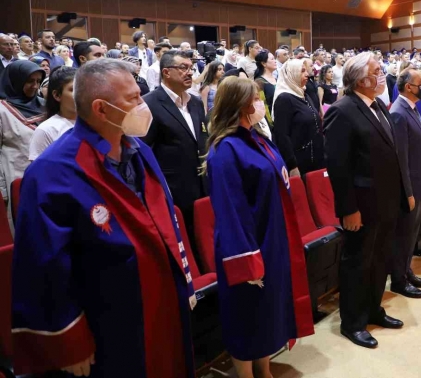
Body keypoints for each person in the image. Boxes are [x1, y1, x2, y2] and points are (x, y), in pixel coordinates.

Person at [11, 59, 197, 377]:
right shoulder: (51, 171)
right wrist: (69, 340)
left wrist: (184, 279)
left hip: (162, 300)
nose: (143, 104)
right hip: (109, 319)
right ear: (101, 108)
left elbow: (166, 220)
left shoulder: (140, 150)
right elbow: (43, 264)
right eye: (133, 98)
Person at [205, 76, 314, 378]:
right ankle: (245, 374)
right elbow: (230, 211)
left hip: (273, 237)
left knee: (267, 311)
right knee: (247, 313)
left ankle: (263, 369)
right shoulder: (225, 149)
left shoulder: (258, 138)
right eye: (255, 99)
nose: (260, 104)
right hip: (246, 244)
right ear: (240, 104)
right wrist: (246, 258)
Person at [323, 52, 407, 349]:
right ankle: (354, 322)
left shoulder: (379, 105)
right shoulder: (342, 110)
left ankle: (374, 309)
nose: (382, 74)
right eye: (376, 70)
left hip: (386, 200)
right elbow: (339, 167)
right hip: (362, 204)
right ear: (361, 78)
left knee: (380, 258)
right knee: (358, 262)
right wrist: (349, 209)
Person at [142, 51, 208, 245]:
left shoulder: (195, 102)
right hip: (173, 189)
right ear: (166, 72)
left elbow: (202, 140)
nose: (189, 72)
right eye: (183, 68)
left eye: (191, 68)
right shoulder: (149, 103)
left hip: (203, 186)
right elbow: (144, 152)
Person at [388, 69, 421, 297]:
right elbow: (401, 158)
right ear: (408, 87)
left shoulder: (411, 109)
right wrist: (407, 191)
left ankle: (406, 272)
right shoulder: (398, 112)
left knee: (412, 234)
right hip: (410, 187)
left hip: (419, 181)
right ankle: (399, 279)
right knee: (403, 235)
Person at [0, 60, 45, 221]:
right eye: (29, 81)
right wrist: (2, 190)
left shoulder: (44, 105)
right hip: (17, 175)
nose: (35, 86)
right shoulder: (2, 110)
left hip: (47, 175)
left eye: (38, 81)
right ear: (15, 81)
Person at [272, 59, 324, 176]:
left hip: (316, 158)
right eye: (302, 71)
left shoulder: (303, 94)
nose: (307, 74)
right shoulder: (284, 99)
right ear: (292, 74)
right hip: (300, 162)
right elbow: (282, 135)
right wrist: (292, 165)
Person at [29, 67, 76, 161]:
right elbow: (39, 172)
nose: (80, 94)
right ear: (57, 95)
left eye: (84, 88)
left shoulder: (96, 123)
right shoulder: (46, 130)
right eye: (73, 89)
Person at [254, 50, 278, 116]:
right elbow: (261, 105)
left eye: (274, 58)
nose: (275, 61)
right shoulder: (259, 82)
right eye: (272, 59)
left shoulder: (277, 79)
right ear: (264, 63)